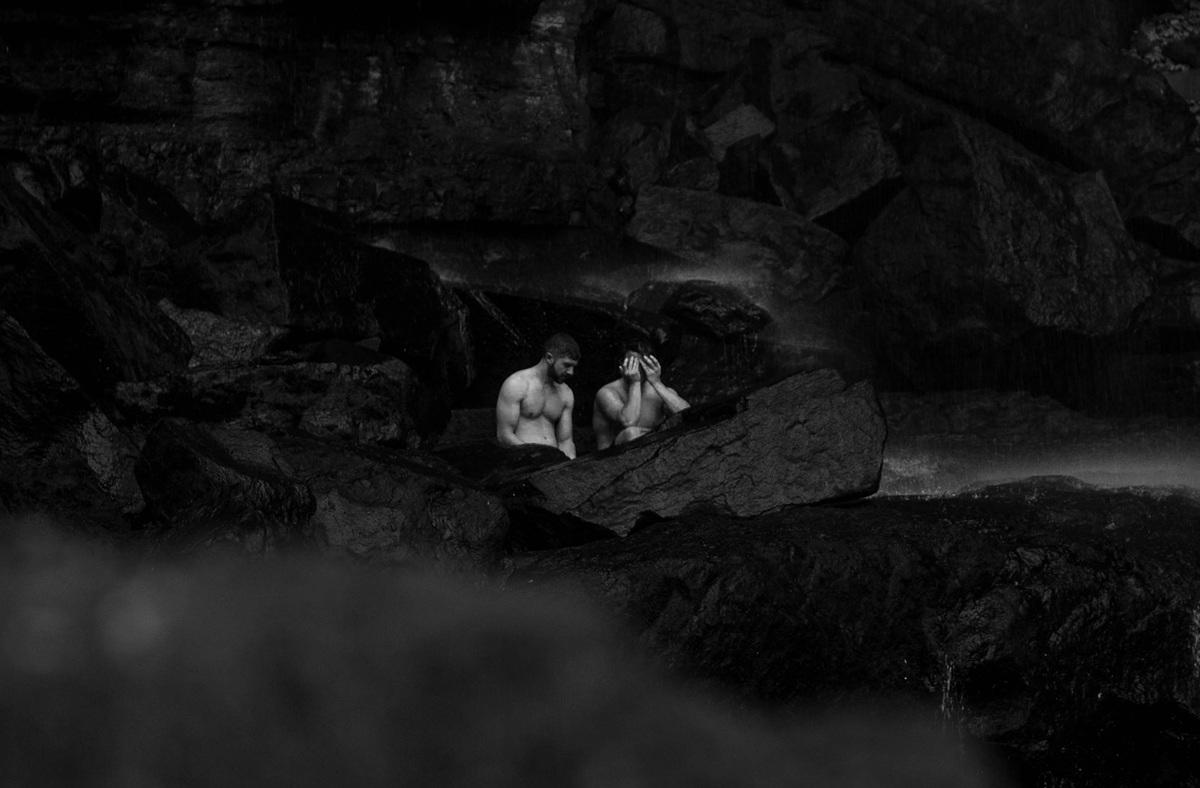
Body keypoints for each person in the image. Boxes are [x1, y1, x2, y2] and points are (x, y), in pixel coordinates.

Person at [495, 333, 580, 460]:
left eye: (573, 367)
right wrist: (537, 458)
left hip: (553, 465)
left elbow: (565, 441)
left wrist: (570, 466)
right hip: (521, 462)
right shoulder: (517, 384)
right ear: (549, 358)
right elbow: (504, 435)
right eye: (567, 365)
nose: (571, 372)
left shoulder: (566, 393)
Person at [592, 341, 689, 451]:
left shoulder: (658, 391)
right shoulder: (607, 392)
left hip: (653, 454)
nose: (638, 368)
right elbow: (629, 421)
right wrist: (635, 383)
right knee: (631, 433)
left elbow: (688, 415)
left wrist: (657, 383)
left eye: (643, 364)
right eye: (633, 363)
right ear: (622, 363)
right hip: (610, 458)